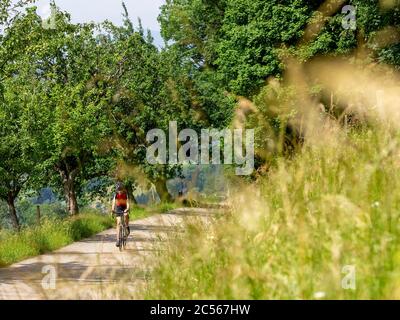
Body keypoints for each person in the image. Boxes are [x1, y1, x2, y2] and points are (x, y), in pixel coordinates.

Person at [111, 182, 130, 247]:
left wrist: (127, 208)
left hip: (124, 207)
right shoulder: (116, 194)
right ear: (116, 190)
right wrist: (112, 209)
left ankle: (127, 226)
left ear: (123, 189)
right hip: (118, 208)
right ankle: (118, 240)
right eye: (118, 190)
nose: (119, 191)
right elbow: (113, 202)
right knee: (118, 223)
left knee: (125, 215)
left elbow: (127, 203)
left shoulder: (125, 194)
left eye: (120, 189)